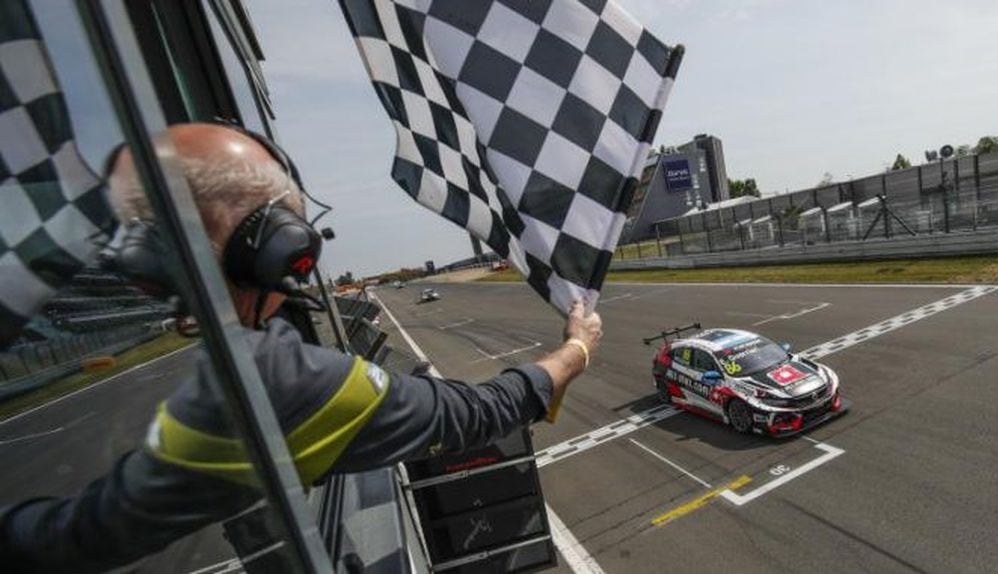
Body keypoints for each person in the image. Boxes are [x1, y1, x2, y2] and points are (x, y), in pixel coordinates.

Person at [0, 123, 602, 572]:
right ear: (278, 250)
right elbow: (473, 414)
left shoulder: (232, 366)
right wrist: (574, 350)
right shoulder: (278, 379)